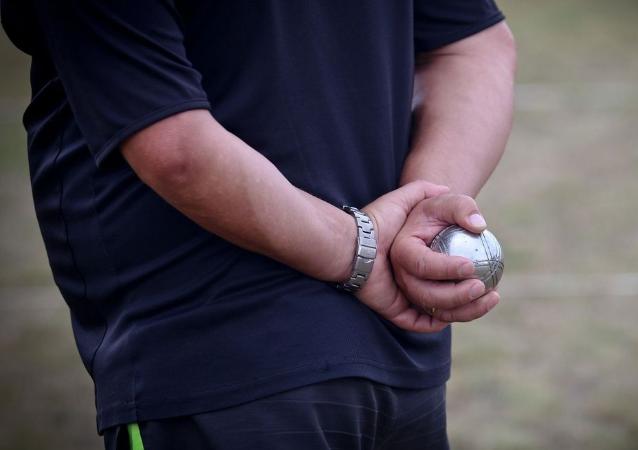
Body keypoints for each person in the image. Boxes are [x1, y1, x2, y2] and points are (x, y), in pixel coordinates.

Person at [1, 0, 515, 448]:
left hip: (214, 356)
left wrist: (399, 227)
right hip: (392, 354)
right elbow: (474, 46)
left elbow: (175, 145)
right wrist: (404, 233)